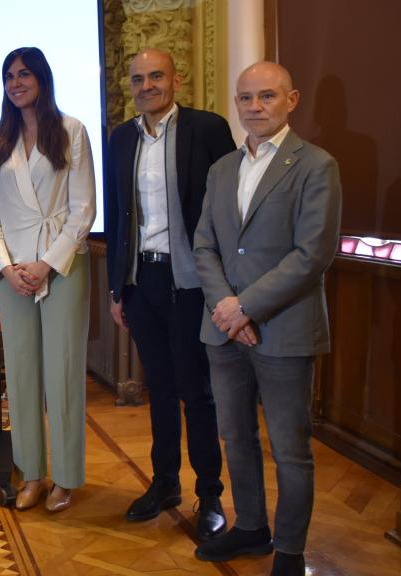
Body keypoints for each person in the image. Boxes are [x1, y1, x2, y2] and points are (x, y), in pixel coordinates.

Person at [192, 61, 341, 576]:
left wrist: (245, 306)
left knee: (290, 449)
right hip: (224, 328)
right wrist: (227, 309)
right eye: (246, 98)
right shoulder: (221, 169)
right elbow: (204, 244)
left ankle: (291, 551)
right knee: (234, 436)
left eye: (267, 97)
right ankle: (251, 527)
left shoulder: (316, 165)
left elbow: (312, 254)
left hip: (285, 328)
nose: (254, 107)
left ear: (291, 100)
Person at [104, 48, 234, 539]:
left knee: (196, 393)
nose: (146, 86)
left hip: (192, 283)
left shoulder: (208, 129)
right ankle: (164, 483)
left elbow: (228, 208)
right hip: (142, 283)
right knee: (158, 390)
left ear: (175, 80)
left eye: (155, 76)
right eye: (138, 79)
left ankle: (210, 494)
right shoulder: (120, 139)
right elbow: (117, 215)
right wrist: (118, 289)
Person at [0, 47, 96, 513]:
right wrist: (8, 267)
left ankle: (65, 477)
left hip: (62, 265)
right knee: (22, 374)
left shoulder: (72, 131)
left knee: (63, 373)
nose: (15, 82)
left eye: (24, 74)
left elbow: (84, 208)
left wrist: (46, 264)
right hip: (13, 272)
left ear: (42, 79)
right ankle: (32, 473)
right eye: (8, 75)